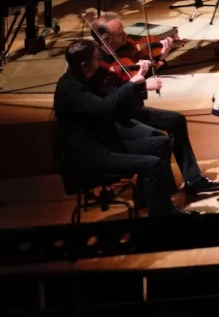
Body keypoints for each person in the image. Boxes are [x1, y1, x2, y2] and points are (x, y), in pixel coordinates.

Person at [85, 13, 219, 197]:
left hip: (133, 109)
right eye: (121, 33)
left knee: (176, 120)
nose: (126, 35)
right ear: (105, 38)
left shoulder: (125, 50)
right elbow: (117, 95)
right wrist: (142, 84)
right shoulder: (99, 64)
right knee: (158, 138)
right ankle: (159, 192)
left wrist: (159, 59)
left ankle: (193, 179)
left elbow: (138, 73)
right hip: (118, 118)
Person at [53, 41, 181, 216]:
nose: (99, 62)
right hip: (90, 156)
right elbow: (105, 107)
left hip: (104, 142)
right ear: (84, 64)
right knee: (151, 164)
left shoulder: (86, 78)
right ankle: (161, 220)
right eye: (96, 58)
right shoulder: (70, 90)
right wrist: (131, 84)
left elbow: (112, 98)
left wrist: (138, 80)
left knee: (162, 143)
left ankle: (153, 205)